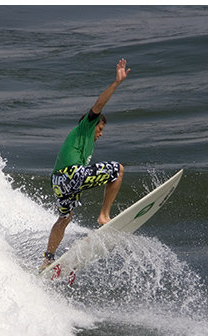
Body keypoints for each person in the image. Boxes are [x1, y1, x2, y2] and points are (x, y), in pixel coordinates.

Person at [41, 58, 130, 270]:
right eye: (100, 130)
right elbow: (99, 104)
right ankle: (104, 216)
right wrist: (117, 83)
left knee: (65, 217)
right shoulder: (85, 128)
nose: (99, 134)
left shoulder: (84, 146)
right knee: (118, 170)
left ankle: (48, 258)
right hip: (71, 175)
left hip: (58, 181)